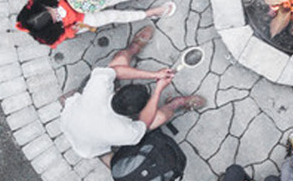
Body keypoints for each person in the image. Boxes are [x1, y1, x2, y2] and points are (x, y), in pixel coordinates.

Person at [59, 26, 205, 159]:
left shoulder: (97, 87)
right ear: (135, 113)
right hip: (87, 147)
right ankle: (176, 104)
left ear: (118, 91)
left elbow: (116, 71)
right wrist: (158, 90)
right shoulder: (124, 132)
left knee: (119, 59)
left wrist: (155, 75)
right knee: (159, 117)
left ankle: (133, 48)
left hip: (71, 120)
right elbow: (144, 122)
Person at [15, 0, 175, 47]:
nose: (56, 12)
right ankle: (150, 13)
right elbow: (62, 36)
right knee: (114, 16)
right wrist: (72, 31)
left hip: (81, 0)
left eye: (52, 9)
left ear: (43, 5)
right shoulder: (46, 36)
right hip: (81, 20)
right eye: (55, 17)